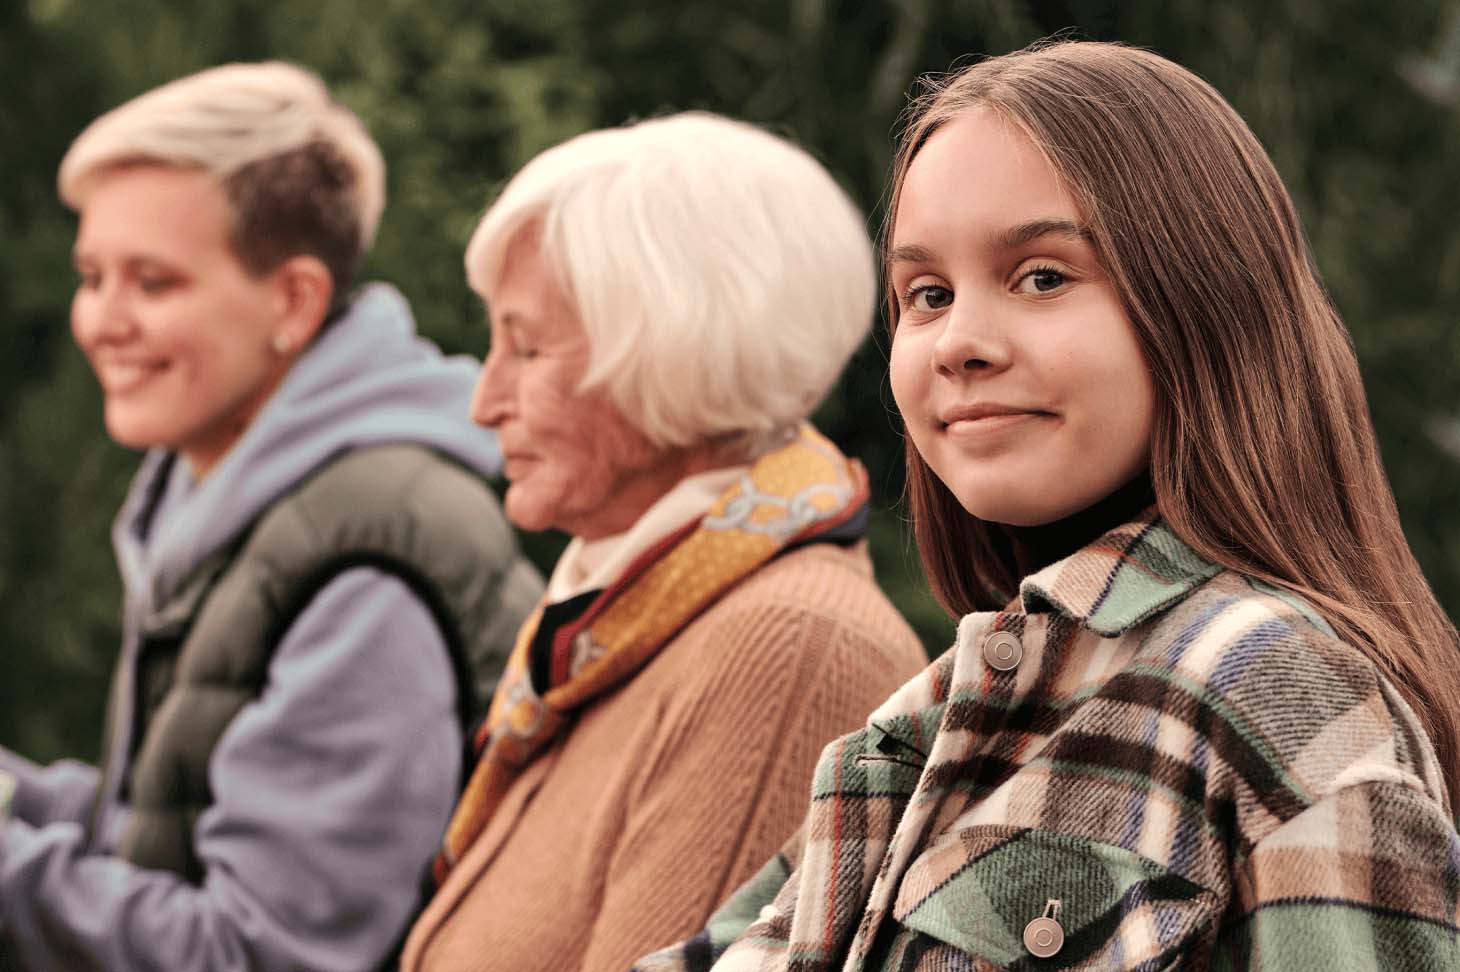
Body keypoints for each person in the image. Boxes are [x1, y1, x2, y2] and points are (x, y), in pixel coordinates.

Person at [634, 40, 1460, 971]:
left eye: (1043, 277)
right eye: (928, 294)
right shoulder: (934, 716)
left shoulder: (1277, 689)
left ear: (1205, 304)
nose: (959, 344)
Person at [0, 62, 543, 971]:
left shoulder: (366, 559)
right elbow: (163, 823)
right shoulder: (221, 492)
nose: (100, 321)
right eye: (91, 276)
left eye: (154, 282)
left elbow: (265, 951)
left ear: (292, 301)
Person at [399, 112, 929, 972]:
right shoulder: (616, 622)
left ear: (675, 354)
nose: (483, 399)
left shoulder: (786, 648)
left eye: (527, 348)